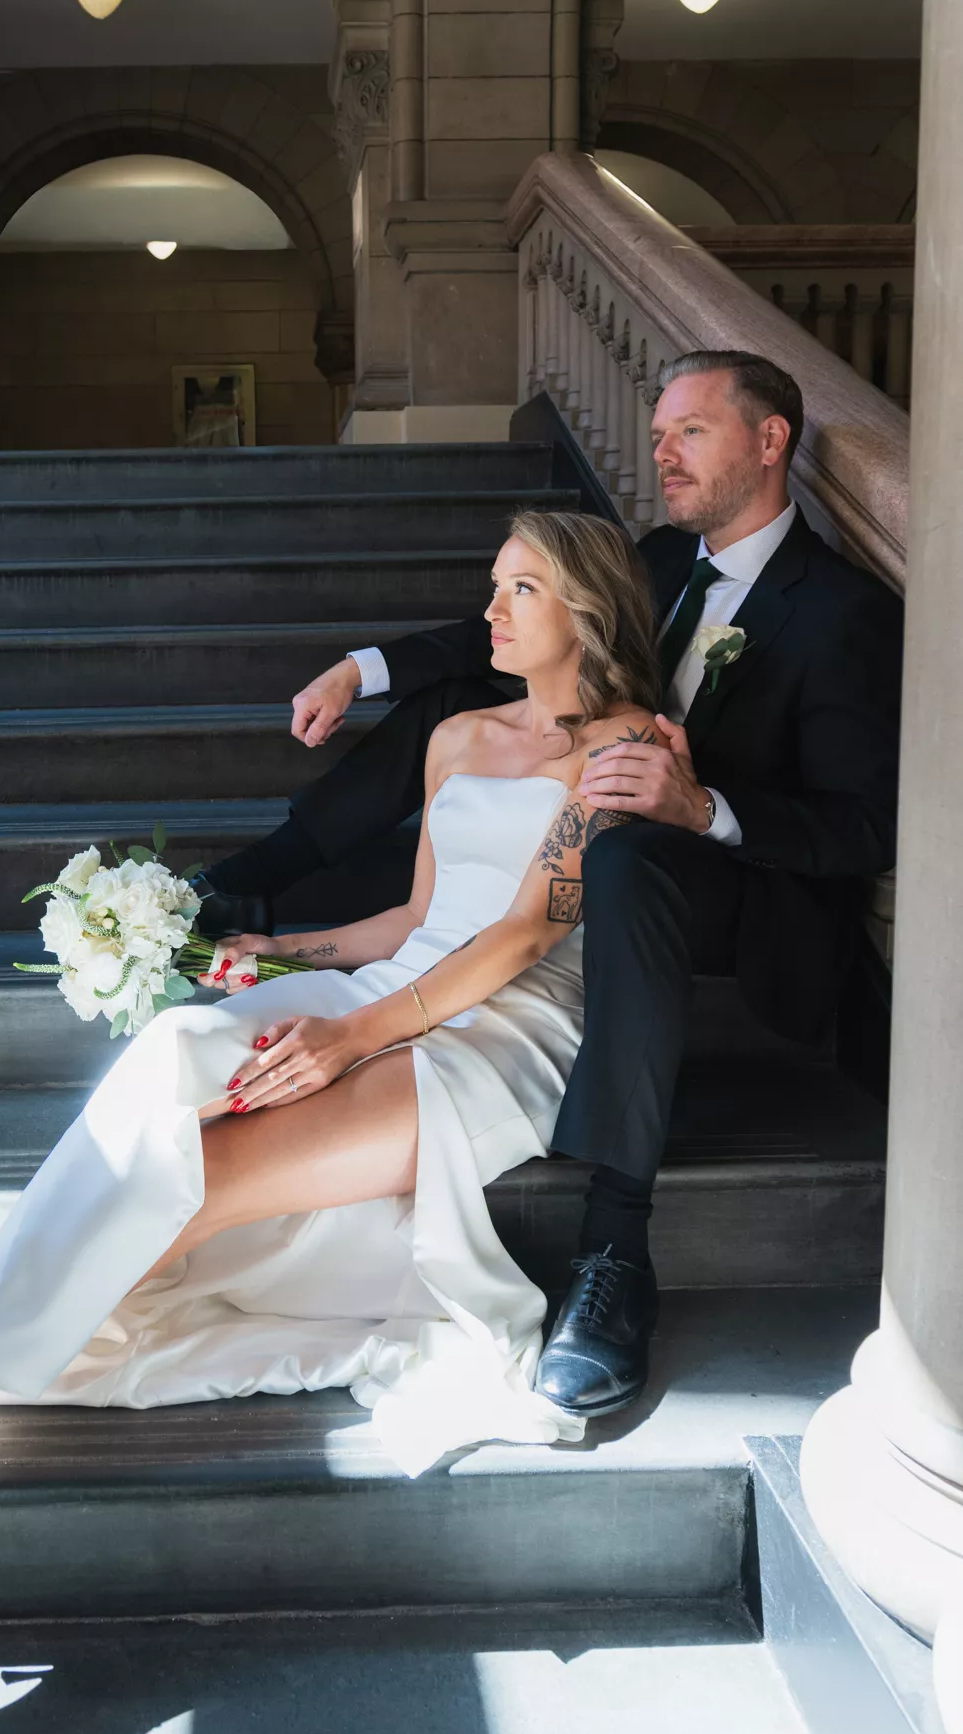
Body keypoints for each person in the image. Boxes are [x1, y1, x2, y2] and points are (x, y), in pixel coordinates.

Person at [0, 510, 662, 1536]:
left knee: (193, 1182)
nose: (489, 609)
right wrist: (275, 955)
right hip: (391, 978)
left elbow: (525, 932)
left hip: (504, 1029)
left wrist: (353, 1037)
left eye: (520, 588)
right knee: (172, 1050)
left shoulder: (621, 745)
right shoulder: (454, 736)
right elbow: (413, 920)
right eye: (493, 583)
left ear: (585, 604)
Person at [198, 351, 902, 1418]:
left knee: (622, 855)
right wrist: (366, 665)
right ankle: (248, 883)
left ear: (770, 443)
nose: (659, 451)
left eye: (689, 432)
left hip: (728, 882)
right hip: (584, 852)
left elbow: (867, 825)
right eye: (657, 432)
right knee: (462, 713)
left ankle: (615, 1245)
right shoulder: (664, 557)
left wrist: (701, 805)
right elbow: (523, 627)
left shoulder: (844, 611)